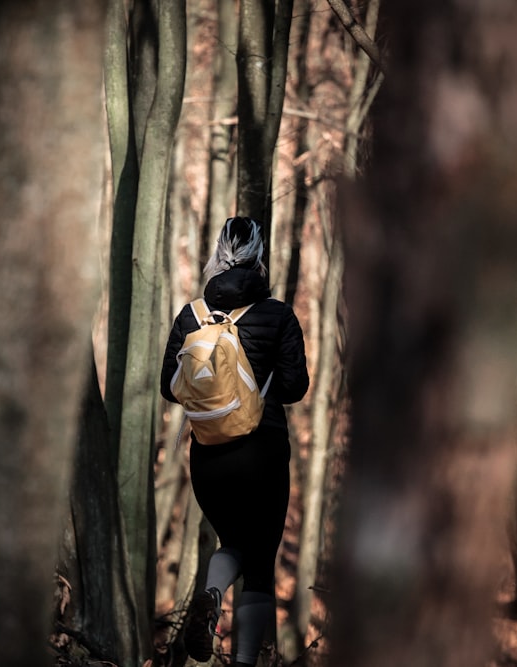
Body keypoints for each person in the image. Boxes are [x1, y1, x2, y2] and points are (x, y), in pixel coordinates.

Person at [160, 216, 309, 666]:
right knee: (261, 565)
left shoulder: (192, 314)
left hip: (208, 457)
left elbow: (170, 386)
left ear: (217, 254)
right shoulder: (278, 315)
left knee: (232, 542)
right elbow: (295, 387)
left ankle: (211, 591)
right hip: (262, 452)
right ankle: (243, 662)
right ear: (259, 257)